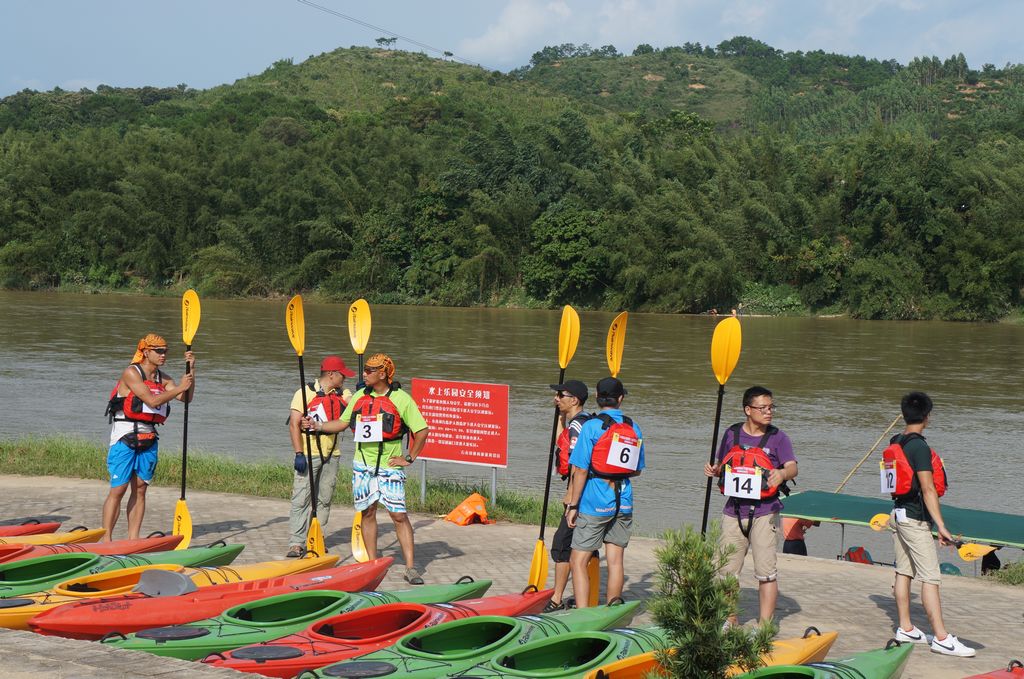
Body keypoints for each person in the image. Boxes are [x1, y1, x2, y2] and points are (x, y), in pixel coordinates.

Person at [308, 353, 428, 584]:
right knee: (368, 512)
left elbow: (422, 430)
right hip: (362, 466)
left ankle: (411, 568)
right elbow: (342, 423)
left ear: (382, 374)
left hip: (390, 466)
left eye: (369, 371)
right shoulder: (359, 396)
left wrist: (409, 458)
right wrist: (318, 425)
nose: (364, 373)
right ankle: (373, 564)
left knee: (398, 515)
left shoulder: (401, 399)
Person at [887, 391, 975, 657]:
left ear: (904, 415)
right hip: (914, 519)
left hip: (897, 514)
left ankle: (905, 628)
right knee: (930, 577)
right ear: (927, 417)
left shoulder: (896, 440)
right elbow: (928, 489)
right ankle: (941, 638)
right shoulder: (920, 448)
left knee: (904, 571)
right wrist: (941, 527)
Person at [704, 385, 797, 624]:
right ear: (748, 409)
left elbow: (792, 466)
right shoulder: (731, 434)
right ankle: (729, 620)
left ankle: (764, 626)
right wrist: (714, 470)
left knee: (766, 573)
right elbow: (722, 465)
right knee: (726, 573)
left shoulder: (778, 437)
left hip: (765, 513)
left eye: (771, 407)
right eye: (762, 408)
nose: (769, 412)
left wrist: (782, 474)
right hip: (733, 511)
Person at [102, 334, 194, 541]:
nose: (163, 355)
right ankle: (106, 540)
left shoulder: (164, 378)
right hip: (124, 436)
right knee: (119, 489)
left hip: (149, 437)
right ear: (146, 352)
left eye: (166, 351)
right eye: (158, 351)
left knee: (141, 489)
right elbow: (152, 401)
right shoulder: (131, 373)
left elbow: (186, 397)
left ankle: (133, 539)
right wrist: (179, 387)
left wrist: (191, 372)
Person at [565, 377, 644, 608]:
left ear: (598, 398)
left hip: (594, 501)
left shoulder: (591, 426)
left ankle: (582, 613)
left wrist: (573, 505)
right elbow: (636, 470)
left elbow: (580, 470)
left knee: (577, 560)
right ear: (620, 399)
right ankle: (612, 608)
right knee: (616, 560)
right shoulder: (633, 426)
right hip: (624, 500)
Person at [286, 356, 355, 558]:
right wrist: (298, 453)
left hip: (332, 454)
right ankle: (296, 543)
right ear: (331, 374)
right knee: (302, 499)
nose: (345, 379)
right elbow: (293, 424)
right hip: (309, 453)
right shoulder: (304, 392)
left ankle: (317, 537)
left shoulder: (344, 393)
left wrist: (363, 393)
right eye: (343, 375)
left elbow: (355, 406)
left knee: (324, 499)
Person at [546, 380, 592, 611]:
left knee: (562, 546)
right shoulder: (580, 423)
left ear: (574, 400)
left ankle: (556, 599)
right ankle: (583, 596)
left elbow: (578, 464)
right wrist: (560, 417)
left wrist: (571, 498)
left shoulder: (578, 427)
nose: (556, 398)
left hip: (579, 496)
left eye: (560, 395)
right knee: (582, 547)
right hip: (590, 495)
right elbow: (561, 442)